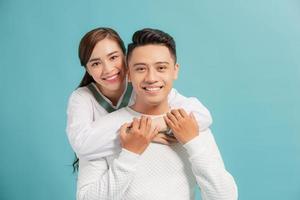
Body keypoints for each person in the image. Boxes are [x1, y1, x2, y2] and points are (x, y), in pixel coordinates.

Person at [76, 28, 238, 200]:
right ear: (129, 74)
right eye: (140, 69)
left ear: (175, 70)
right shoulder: (104, 130)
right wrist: (129, 154)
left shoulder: (189, 124)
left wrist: (193, 143)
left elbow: (225, 197)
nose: (151, 78)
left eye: (161, 67)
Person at [66, 28, 212, 170]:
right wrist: (142, 137)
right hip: (108, 175)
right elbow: (82, 145)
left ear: (126, 58)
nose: (108, 69)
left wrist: (153, 126)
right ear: (87, 69)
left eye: (113, 57)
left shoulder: (143, 87)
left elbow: (201, 115)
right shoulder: (82, 97)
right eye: (96, 63)